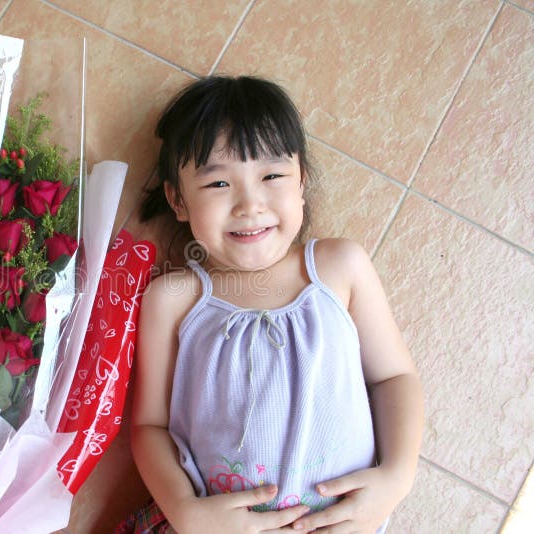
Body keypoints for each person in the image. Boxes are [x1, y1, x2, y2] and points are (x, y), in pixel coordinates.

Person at [126, 76, 424, 534]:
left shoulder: (340, 268)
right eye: (219, 182)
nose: (250, 204)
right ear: (177, 200)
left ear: (301, 179)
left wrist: (397, 476)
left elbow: (394, 378)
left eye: (271, 176)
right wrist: (185, 510)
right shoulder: (173, 299)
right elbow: (149, 427)